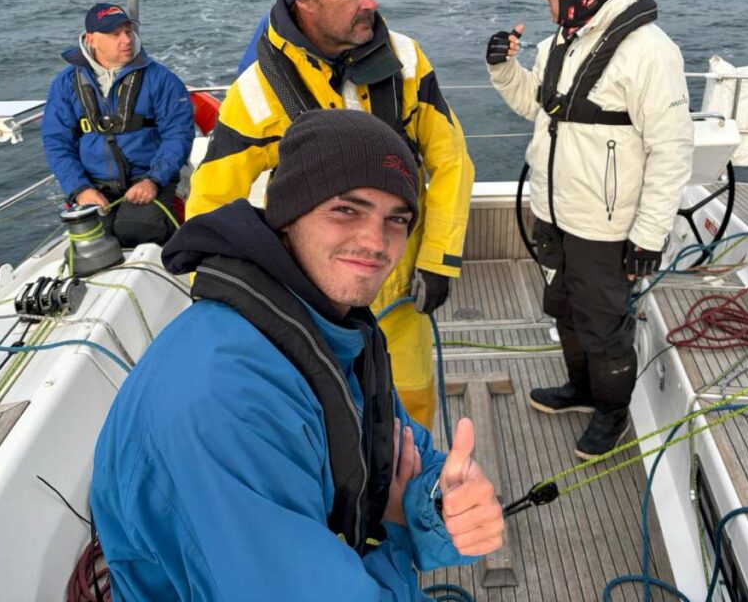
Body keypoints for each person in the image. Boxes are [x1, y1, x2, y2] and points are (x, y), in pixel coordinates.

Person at [92, 110, 504, 601]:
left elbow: (401, 457)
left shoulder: (329, 328)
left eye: (396, 219)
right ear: (288, 214)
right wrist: (397, 528)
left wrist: (442, 507)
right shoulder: (223, 398)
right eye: (346, 210)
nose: (376, 242)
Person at [186, 0, 475, 428]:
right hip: (310, 299)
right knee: (330, 417)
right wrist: (230, 303)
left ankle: (417, 497)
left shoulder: (407, 61)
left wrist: (439, 261)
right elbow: (212, 205)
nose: (371, 3)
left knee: (412, 411)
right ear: (305, 2)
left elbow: (451, 160)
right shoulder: (256, 92)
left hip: (400, 283)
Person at [485, 0, 694, 460]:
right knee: (565, 308)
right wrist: (503, 69)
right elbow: (540, 104)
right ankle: (580, 391)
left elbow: (672, 150)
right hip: (554, 211)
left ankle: (611, 412)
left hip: (606, 225)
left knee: (604, 327)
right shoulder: (564, 40)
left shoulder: (650, 51)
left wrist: (649, 235)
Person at [41, 3, 195, 247]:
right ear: (91, 39)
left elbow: (178, 135)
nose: (126, 40)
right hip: (93, 184)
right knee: (93, 241)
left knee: (137, 230)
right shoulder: (65, 83)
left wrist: (153, 180)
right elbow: (56, 142)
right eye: (115, 35)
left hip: (149, 178)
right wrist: (80, 189)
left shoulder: (162, 79)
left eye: (128, 32)